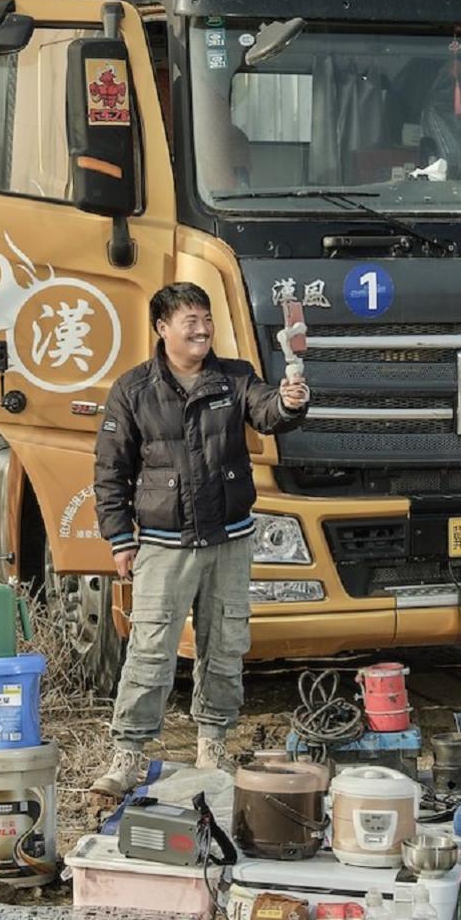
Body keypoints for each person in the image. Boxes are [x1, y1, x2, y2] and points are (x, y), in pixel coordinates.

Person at [89, 283, 311, 799]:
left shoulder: (235, 378)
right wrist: (120, 538)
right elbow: (110, 470)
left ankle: (214, 744)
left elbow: (267, 412)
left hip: (229, 541)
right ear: (162, 328)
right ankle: (128, 755)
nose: (202, 328)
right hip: (163, 545)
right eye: (190, 319)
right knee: (149, 650)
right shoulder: (134, 389)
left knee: (226, 646)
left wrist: (289, 402)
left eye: (206, 318)